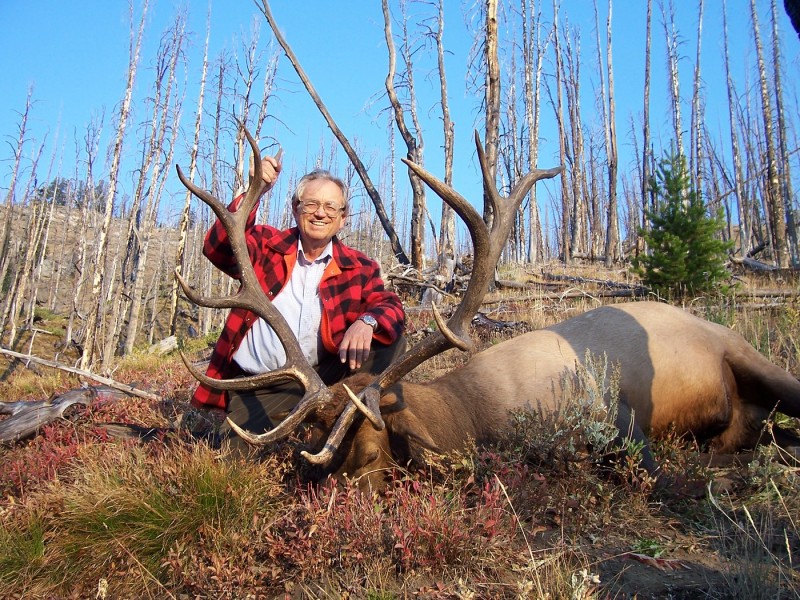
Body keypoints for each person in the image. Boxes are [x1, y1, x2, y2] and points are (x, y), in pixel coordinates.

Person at [189, 152, 406, 453]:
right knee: (233, 459)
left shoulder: (359, 267)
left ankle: (371, 425)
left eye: (331, 206)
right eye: (312, 204)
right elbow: (218, 246)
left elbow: (391, 306)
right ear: (295, 209)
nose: (321, 213)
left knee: (391, 341)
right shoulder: (266, 246)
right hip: (262, 384)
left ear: (343, 218)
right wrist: (255, 190)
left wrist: (367, 321)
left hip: (324, 376)